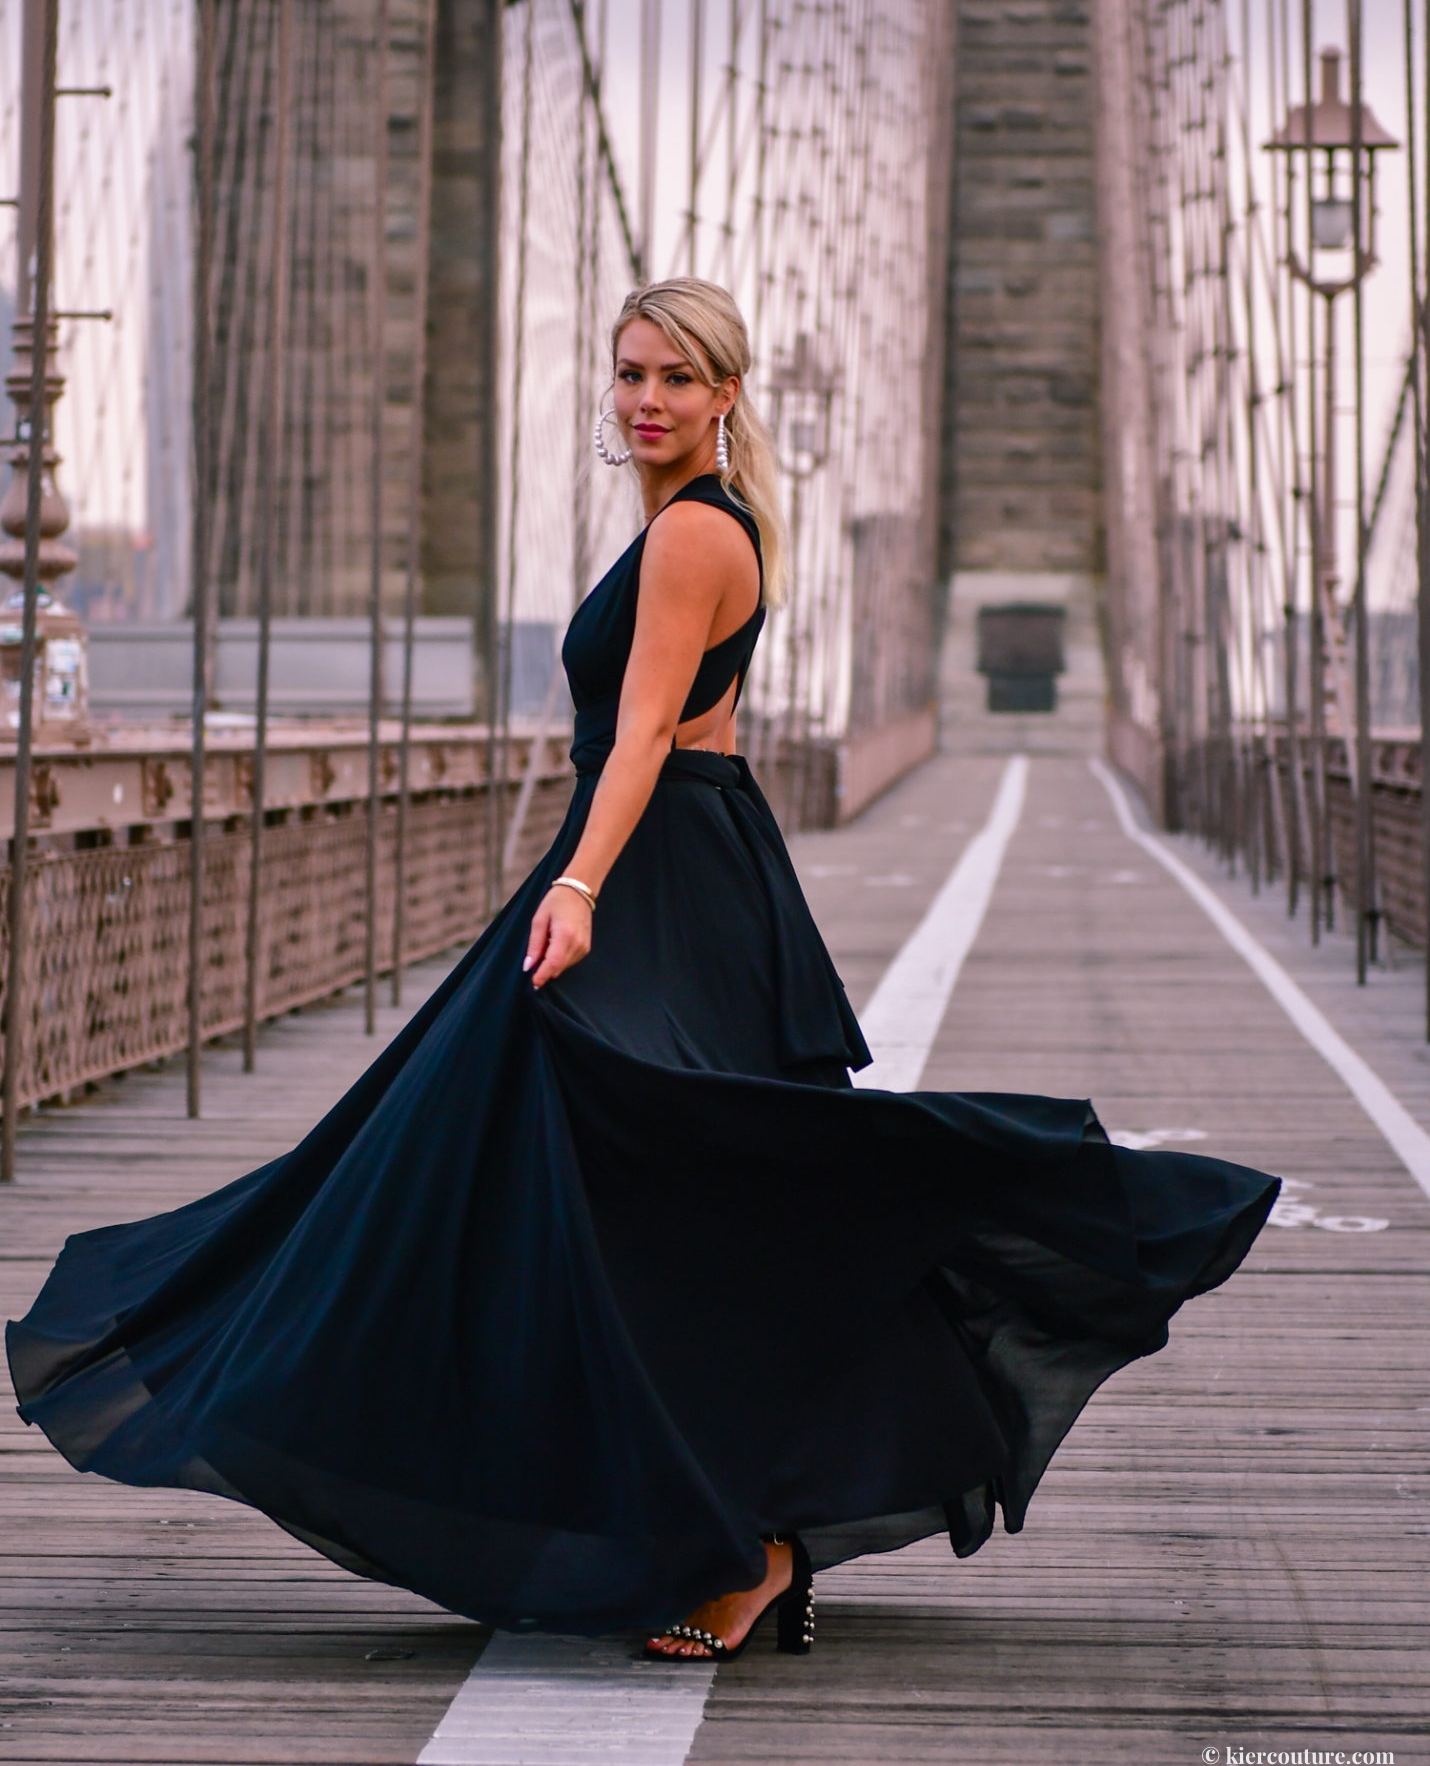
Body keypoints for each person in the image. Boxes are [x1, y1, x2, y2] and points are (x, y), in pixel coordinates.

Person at [7, 277, 1279, 1665]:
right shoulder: (697, 525)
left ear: (725, 394)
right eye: (628, 373)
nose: (646, 399)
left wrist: (573, 884)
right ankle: (741, 1522)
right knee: (643, 1181)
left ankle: (739, 1537)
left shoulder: (688, 535)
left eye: (676, 376)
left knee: (580, 1168)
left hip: (655, 867)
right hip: (676, 865)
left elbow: (642, 736)